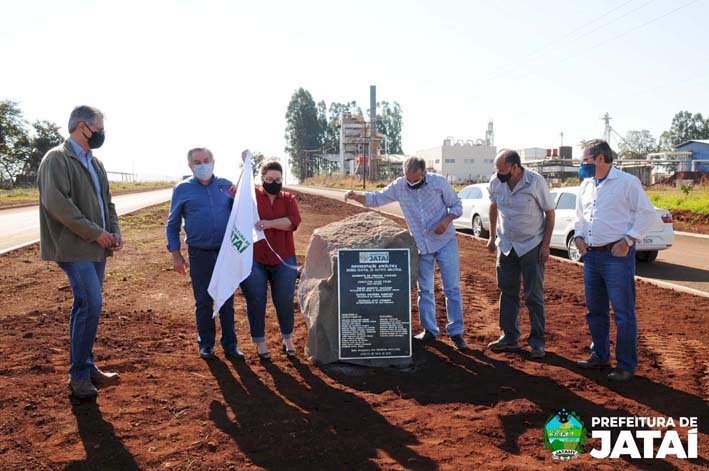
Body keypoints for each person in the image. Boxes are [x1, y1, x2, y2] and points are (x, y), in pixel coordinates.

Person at [37, 105, 122, 400]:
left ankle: (85, 367)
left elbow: (107, 202)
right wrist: (95, 233)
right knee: (91, 303)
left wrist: (114, 231)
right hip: (73, 246)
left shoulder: (95, 163)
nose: (101, 133)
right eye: (98, 127)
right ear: (82, 126)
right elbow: (57, 204)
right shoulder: (56, 159)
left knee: (85, 305)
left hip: (96, 246)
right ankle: (79, 375)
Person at [344, 156, 468, 350]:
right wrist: (356, 196)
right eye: (408, 179)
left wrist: (446, 221)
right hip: (422, 246)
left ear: (424, 173)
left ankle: (456, 332)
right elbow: (376, 198)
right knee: (425, 289)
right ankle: (429, 330)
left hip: (445, 241)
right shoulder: (400, 186)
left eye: (415, 180)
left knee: (451, 288)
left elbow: (457, 205)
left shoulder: (439, 183)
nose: (411, 183)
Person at [574, 139, 656, 381]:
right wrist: (579, 237)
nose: (582, 165)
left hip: (616, 257)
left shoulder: (626, 183)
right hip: (591, 257)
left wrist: (628, 240)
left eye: (585, 160)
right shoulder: (586, 185)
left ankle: (625, 365)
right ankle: (599, 355)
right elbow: (580, 217)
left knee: (623, 313)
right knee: (595, 310)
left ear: (600, 158)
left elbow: (647, 214)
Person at [166, 147, 244, 361]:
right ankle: (206, 344)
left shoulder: (226, 186)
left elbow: (244, 209)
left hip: (225, 252)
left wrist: (247, 168)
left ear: (213, 161)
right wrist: (176, 255)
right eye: (197, 162)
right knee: (203, 300)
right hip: (199, 253)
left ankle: (230, 345)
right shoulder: (182, 189)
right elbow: (172, 224)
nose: (202, 165)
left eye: (206, 160)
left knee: (227, 298)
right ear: (190, 165)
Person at [486, 149, 555, 359]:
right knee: (507, 291)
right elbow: (493, 206)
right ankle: (509, 335)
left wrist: (545, 245)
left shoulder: (535, 182)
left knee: (533, 295)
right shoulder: (495, 182)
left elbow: (550, 214)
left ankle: (537, 342)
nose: (498, 173)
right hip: (507, 245)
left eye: (502, 169)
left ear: (515, 167)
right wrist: (491, 236)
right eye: (496, 169)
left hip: (531, 244)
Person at [240, 160, 301, 360]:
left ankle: (288, 339)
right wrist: (244, 167)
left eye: (277, 179)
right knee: (256, 300)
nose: (273, 182)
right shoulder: (252, 197)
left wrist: (268, 224)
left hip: (283, 258)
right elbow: (235, 193)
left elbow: (293, 222)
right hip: (255, 258)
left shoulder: (288, 198)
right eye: (269, 179)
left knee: (284, 300)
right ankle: (260, 342)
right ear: (261, 178)